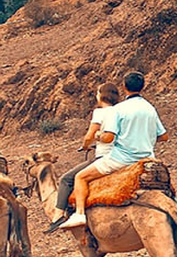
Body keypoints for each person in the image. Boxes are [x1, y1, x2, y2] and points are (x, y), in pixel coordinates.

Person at [58, 71, 169, 229]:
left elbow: (109, 138)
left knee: (80, 177)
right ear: (142, 87)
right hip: (147, 159)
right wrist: (144, 136)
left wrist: (98, 136)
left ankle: (80, 214)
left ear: (124, 87)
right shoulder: (150, 109)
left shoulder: (120, 109)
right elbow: (163, 136)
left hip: (122, 159)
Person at [44, 82, 120, 233]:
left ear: (101, 95)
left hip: (104, 156)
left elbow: (89, 136)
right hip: (120, 154)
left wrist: (86, 145)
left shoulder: (99, 112)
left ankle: (59, 215)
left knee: (67, 179)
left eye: (98, 93)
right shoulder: (120, 111)